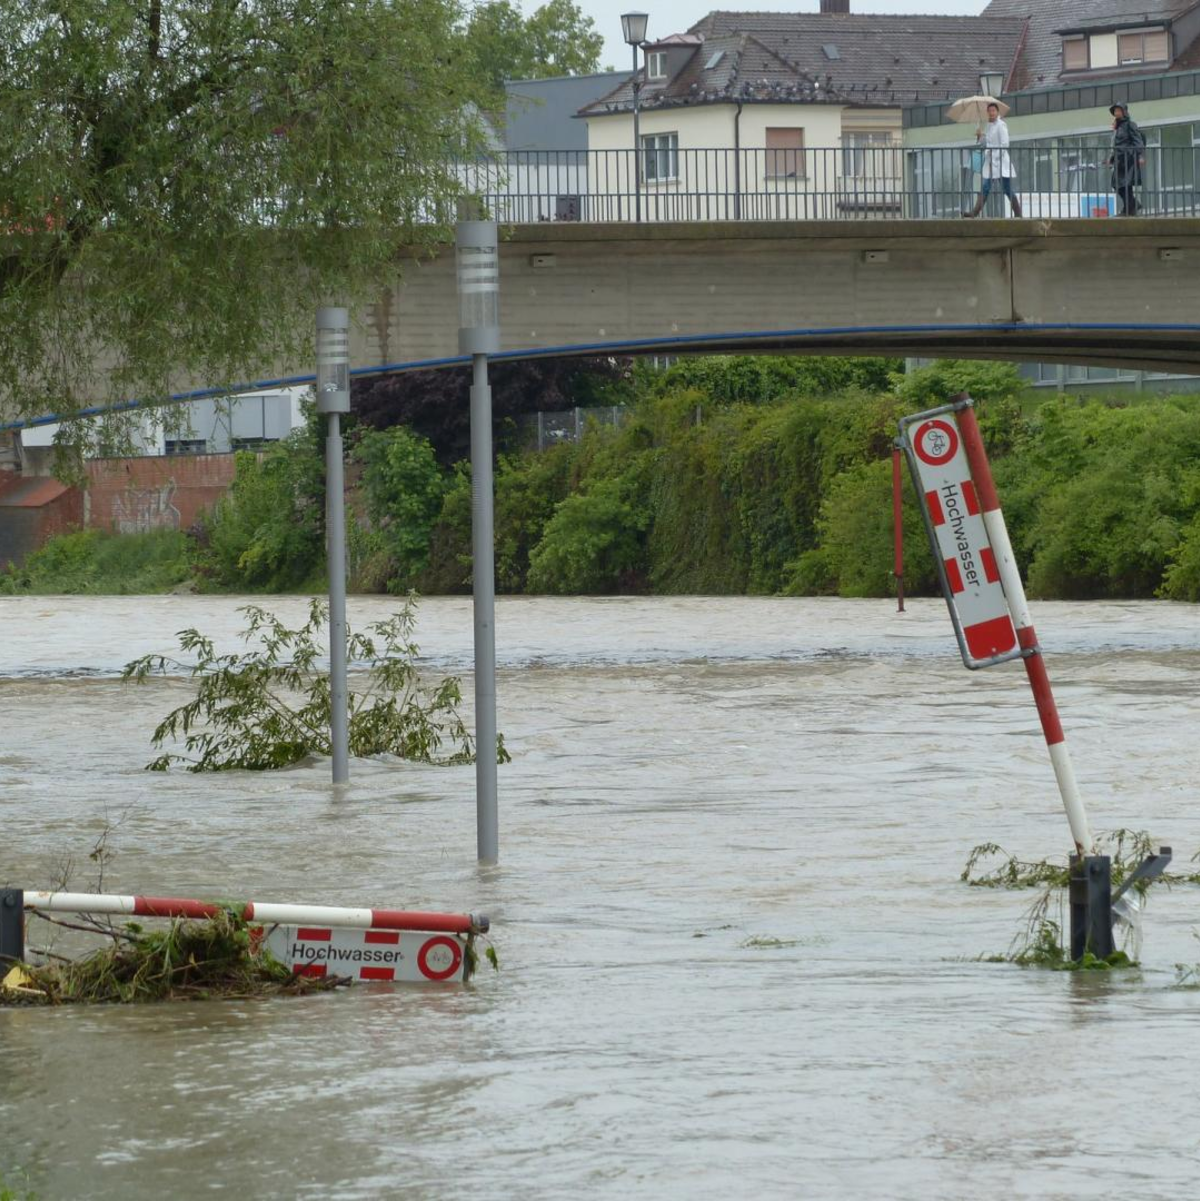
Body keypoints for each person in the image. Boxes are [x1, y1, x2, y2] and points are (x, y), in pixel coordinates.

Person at [963, 102, 1022, 218]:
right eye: (989, 111)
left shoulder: (1001, 125)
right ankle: (974, 213)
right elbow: (989, 143)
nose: (991, 113)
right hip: (990, 163)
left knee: (1007, 188)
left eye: (993, 111)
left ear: (997, 112)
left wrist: (995, 156)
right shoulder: (989, 126)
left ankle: (1018, 213)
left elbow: (1004, 144)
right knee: (985, 187)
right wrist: (981, 137)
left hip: (1000, 163)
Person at [1108, 102, 1146, 216]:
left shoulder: (1130, 125)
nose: (1116, 113)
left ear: (1124, 112)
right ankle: (1132, 205)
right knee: (1117, 185)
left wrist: (1138, 155)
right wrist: (1111, 159)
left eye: (1118, 110)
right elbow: (1116, 144)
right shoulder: (1117, 127)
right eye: (1115, 111)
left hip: (1128, 160)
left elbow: (1138, 143)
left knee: (1125, 186)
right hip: (1119, 161)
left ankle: (1129, 209)